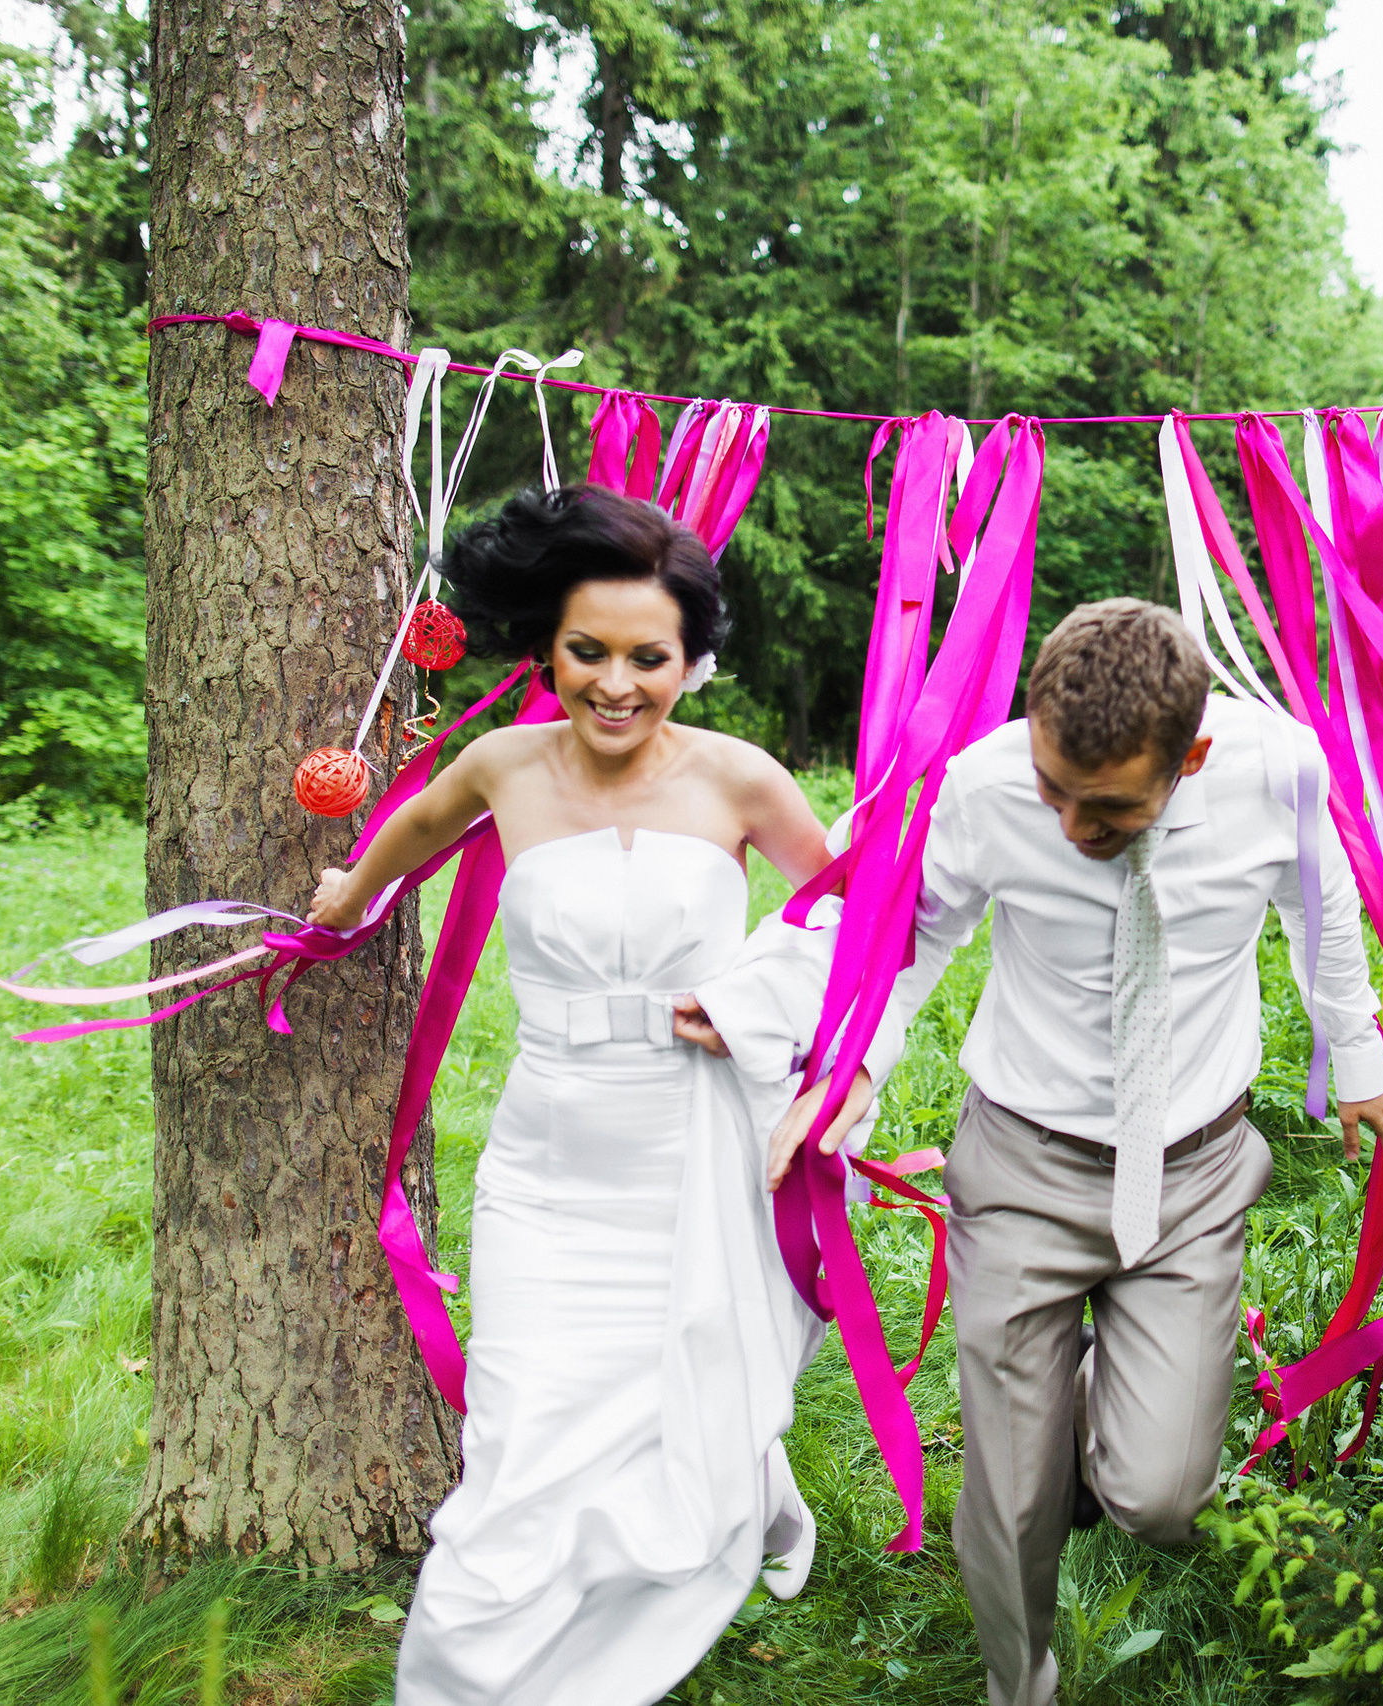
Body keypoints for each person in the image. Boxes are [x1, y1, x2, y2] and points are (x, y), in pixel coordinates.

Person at [765, 598, 1383, 1706]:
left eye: (1109, 806)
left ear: (1195, 753)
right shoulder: (982, 786)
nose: (1072, 824)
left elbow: (1324, 906)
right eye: (1054, 790)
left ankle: (1089, 1387)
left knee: (1158, 1494)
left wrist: (1355, 1052)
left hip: (1196, 1171)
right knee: (1014, 1493)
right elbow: (915, 931)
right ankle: (1016, 1679)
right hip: (1025, 1161)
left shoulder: (1280, 768)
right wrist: (859, 1073)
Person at [303, 485, 854, 1706]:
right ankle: (460, 1676)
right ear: (544, 651)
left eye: (647, 657)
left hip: (695, 1152)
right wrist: (350, 889)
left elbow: (853, 934)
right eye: (587, 653)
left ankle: (726, 1496)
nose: (616, 683)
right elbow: (415, 828)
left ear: (691, 657)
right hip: (550, 1162)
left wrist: (761, 1009)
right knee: (516, 1434)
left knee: (681, 1386)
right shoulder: (504, 763)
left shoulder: (743, 780)